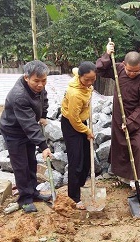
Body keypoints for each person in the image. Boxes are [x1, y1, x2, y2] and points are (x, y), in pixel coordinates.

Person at [96, 41, 140, 193]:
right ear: (124, 64)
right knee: (121, 145)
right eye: (129, 71)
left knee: (137, 146)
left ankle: (138, 181)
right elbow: (100, 69)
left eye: (136, 71)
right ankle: (123, 178)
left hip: (136, 119)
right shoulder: (118, 69)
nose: (132, 74)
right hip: (119, 116)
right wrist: (107, 54)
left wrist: (130, 121)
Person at [0, 60, 53, 213]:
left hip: (27, 129)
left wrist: (43, 115)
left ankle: (34, 192)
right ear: (26, 78)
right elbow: (29, 124)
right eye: (36, 81)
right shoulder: (19, 95)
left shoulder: (39, 87)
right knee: (21, 165)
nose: (41, 84)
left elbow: (44, 100)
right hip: (14, 132)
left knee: (31, 161)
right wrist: (43, 146)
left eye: (44, 80)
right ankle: (25, 199)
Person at [60, 62, 96, 210]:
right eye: (86, 80)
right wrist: (87, 131)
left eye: (93, 79)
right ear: (80, 77)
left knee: (87, 160)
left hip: (82, 120)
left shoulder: (80, 76)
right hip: (71, 125)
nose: (89, 82)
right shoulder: (74, 94)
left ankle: (80, 187)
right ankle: (74, 196)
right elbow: (74, 120)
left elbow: (75, 69)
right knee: (76, 162)